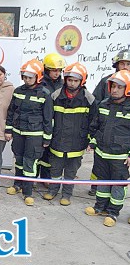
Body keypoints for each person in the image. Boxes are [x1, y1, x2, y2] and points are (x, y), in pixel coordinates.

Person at [42, 63, 95, 206]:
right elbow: (48, 118)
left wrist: (90, 141)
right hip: (58, 140)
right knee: (55, 168)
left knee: (71, 171)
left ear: (82, 81)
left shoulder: (89, 99)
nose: (72, 83)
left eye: (75, 80)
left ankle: (66, 194)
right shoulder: (56, 95)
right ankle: (53, 190)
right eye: (69, 80)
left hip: (77, 142)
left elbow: (94, 122)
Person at [85, 70, 130, 227]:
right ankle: (100, 207)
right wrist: (93, 142)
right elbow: (96, 127)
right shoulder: (103, 104)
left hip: (120, 156)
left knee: (118, 185)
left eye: (119, 87)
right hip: (101, 153)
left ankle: (113, 212)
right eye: (113, 86)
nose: (115, 90)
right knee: (102, 181)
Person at [5, 59, 53, 206]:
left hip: (35, 134)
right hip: (19, 132)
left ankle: (28, 192)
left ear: (38, 77)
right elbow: (11, 111)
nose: (26, 80)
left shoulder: (45, 94)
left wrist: (47, 138)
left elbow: (48, 117)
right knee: (18, 159)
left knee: (30, 162)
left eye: (30, 77)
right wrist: (8, 129)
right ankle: (17, 184)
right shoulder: (18, 91)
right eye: (25, 77)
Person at [90, 48, 130, 196]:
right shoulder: (107, 81)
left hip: (124, 143)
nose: (125, 67)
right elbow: (96, 103)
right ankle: (96, 187)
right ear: (116, 65)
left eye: (128, 64)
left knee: (120, 176)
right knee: (101, 165)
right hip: (106, 135)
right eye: (122, 63)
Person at [38, 53, 66, 180]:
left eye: (59, 70)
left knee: (51, 153)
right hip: (42, 122)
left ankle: (46, 177)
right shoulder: (40, 83)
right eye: (54, 70)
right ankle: (33, 177)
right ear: (46, 69)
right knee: (39, 151)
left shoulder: (63, 84)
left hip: (57, 123)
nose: (57, 73)